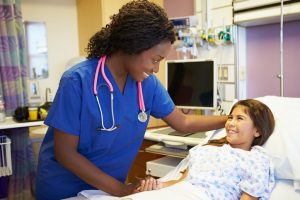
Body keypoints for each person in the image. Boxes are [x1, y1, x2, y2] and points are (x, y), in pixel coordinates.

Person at [35, 1, 227, 199]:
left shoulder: (147, 84)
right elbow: (65, 153)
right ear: (133, 44)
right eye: (155, 59)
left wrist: (230, 118)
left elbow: (183, 122)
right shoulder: (77, 80)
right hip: (64, 189)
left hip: (107, 190)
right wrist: (121, 190)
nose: (156, 69)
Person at [136, 99, 276, 200]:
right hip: (179, 192)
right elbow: (183, 181)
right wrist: (157, 185)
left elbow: (249, 197)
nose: (231, 123)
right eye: (230, 118)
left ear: (257, 131)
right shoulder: (207, 149)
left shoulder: (256, 159)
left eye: (240, 118)